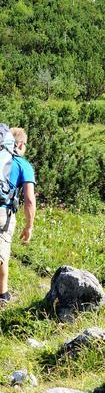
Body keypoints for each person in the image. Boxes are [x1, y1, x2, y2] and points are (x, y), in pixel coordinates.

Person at [0, 127, 36, 304]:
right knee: (2, 253)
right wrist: (28, 226)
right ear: (21, 144)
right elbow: (29, 199)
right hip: (3, 212)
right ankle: (3, 296)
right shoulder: (23, 165)